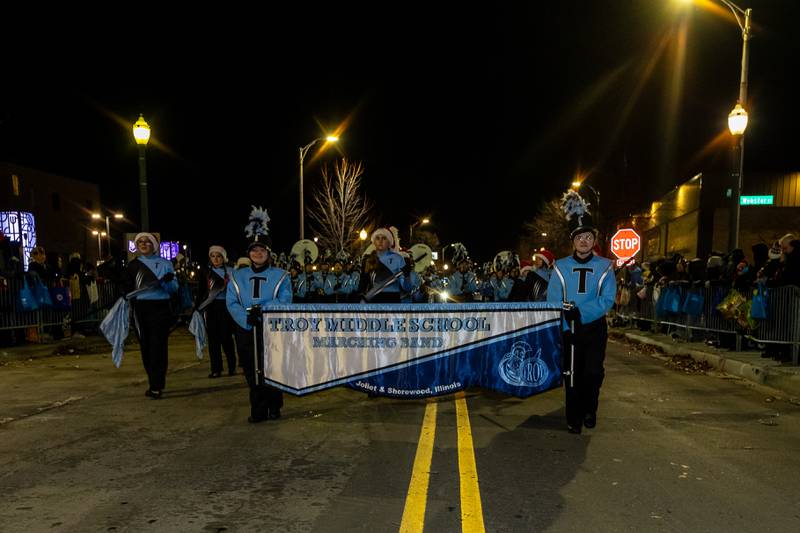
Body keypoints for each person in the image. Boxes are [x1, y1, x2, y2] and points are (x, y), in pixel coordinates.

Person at [547, 190, 616, 434]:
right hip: (569, 329)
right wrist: (566, 322)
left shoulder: (605, 267)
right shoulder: (560, 267)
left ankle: (590, 408)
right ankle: (573, 416)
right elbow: (553, 300)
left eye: (588, 236)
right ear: (573, 240)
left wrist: (582, 313)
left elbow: (607, 299)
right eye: (579, 237)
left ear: (593, 239)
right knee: (572, 375)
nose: (583, 241)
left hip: (594, 328)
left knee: (593, 372)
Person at [227, 207, 292, 423]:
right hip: (246, 327)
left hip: (270, 326)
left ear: (268, 253)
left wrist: (263, 311)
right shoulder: (238, 276)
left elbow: (285, 299)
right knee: (251, 369)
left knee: (272, 367)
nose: (257, 254)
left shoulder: (281, 275)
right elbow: (232, 301)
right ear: (249, 253)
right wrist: (246, 319)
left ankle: (274, 405)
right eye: (254, 250)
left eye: (262, 250)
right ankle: (258, 409)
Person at [122, 232, 178, 399]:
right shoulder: (132, 266)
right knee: (146, 347)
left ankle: (157, 385)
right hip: (140, 309)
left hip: (160, 308)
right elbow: (127, 288)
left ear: (154, 245)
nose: (144, 244)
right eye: (140, 242)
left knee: (158, 347)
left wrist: (168, 282)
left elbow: (174, 289)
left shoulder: (165, 264)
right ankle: (153, 381)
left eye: (147, 242)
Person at [196, 245, 237, 378]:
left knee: (226, 337)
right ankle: (216, 369)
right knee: (213, 339)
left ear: (223, 257)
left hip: (226, 306)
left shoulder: (232, 271)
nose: (216, 259)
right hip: (211, 307)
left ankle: (232, 366)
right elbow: (201, 290)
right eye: (212, 256)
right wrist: (197, 308)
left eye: (218, 256)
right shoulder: (205, 271)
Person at [360, 227, 414, 303]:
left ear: (389, 242)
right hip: (373, 299)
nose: (380, 241)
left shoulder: (398, 258)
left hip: (392, 299)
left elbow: (407, 288)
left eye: (384, 238)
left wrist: (407, 276)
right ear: (374, 242)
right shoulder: (368, 260)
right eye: (377, 238)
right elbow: (363, 285)